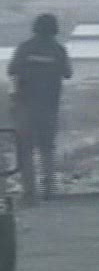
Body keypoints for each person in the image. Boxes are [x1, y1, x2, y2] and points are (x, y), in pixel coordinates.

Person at [8, 13, 71, 204]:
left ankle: (30, 194)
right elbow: (68, 73)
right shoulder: (58, 50)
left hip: (25, 106)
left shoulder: (25, 48)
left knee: (25, 150)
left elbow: (11, 70)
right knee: (47, 149)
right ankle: (49, 191)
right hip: (50, 106)